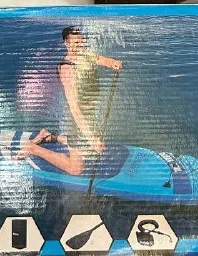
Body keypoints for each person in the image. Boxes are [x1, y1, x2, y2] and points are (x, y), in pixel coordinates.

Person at [15, 27, 122, 175]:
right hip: (75, 119)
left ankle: (49, 137)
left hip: (90, 111)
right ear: (67, 44)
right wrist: (91, 139)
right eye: (76, 43)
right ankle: (33, 148)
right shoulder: (67, 69)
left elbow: (100, 59)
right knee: (76, 168)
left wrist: (112, 63)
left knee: (86, 144)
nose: (80, 46)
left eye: (82, 42)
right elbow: (75, 108)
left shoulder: (85, 55)